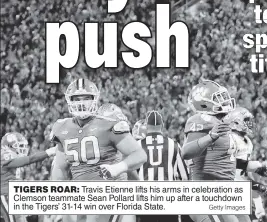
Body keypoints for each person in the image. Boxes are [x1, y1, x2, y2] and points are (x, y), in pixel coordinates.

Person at [50, 79, 147, 222]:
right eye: (77, 99)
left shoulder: (108, 124)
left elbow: (139, 154)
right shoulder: (61, 128)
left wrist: (118, 168)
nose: (81, 103)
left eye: (86, 98)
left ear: (94, 99)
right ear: (69, 100)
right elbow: (59, 168)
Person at [181, 80, 238, 222]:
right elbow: (186, 152)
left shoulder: (220, 122)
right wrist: (210, 137)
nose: (224, 101)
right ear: (203, 103)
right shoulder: (201, 119)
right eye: (218, 98)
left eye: (224, 97)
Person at [137, 110, 188, 222]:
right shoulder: (173, 145)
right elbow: (184, 177)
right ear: (162, 125)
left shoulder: (138, 145)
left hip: (145, 200)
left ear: (146, 125)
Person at [224, 107, 267, 222]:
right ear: (236, 123)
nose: (250, 123)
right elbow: (229, 163)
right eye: (246, 120)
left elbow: (243, 173)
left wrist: (255, 184)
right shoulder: (230, 139)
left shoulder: (247, 141)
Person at [1, 132, 56, 222]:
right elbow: (30, 159)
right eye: (16, 145)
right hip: (6, 196)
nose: (19, 148)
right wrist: (48, 152)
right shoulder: (4, 158)